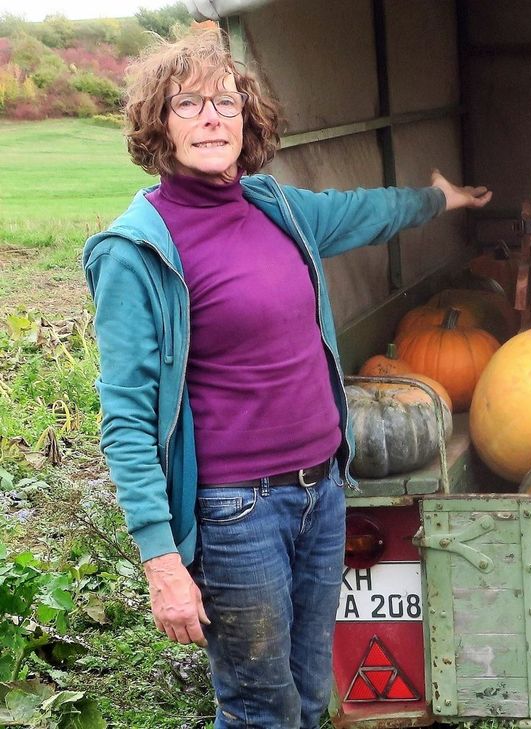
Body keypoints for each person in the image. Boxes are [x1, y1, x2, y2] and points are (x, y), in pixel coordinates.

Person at [82, 28, 490, 728]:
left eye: (226, 100)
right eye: (188, 103)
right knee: (258, 708)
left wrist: (436, 200)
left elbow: (362, 211)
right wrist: (160, 559)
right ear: (158, 124)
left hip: (320, 494)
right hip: (237, 512)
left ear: (249, 118)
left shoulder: (278, 208)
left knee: (308, 694)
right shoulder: (137, 250)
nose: (212, 116)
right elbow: (124, 418)